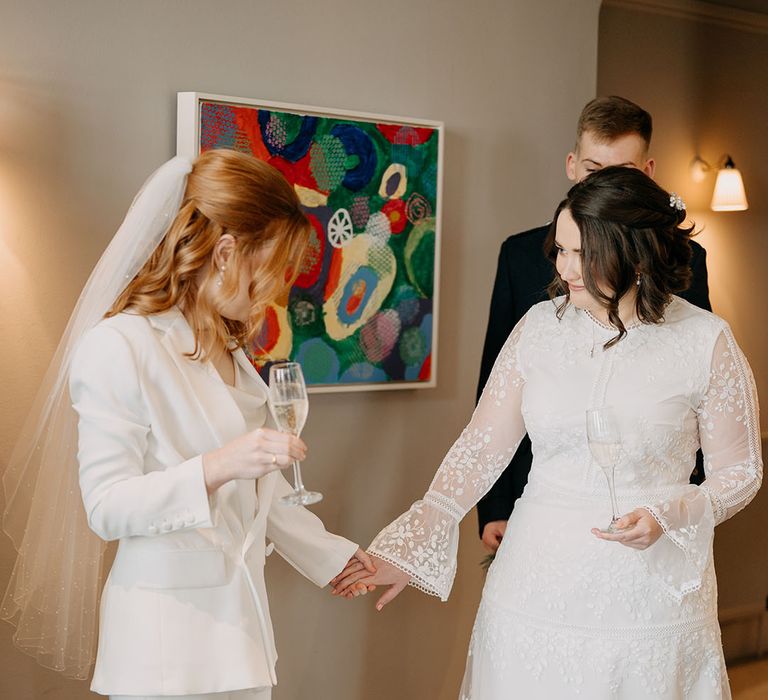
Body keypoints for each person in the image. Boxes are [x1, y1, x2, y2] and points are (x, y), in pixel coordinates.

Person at [333, 166, 762, 698]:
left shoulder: (706, 340)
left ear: (634, 252)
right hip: (533, 585)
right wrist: (417, 539)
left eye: (583, 254)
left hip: (649, 594)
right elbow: (482, 445)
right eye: (560, 251)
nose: (565, 268)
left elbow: (740, 472)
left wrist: (672, 515)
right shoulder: (538, 326)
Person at [1, 149, 373, 699]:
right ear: (225, 253)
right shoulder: (118, 347)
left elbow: (257, 494)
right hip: (164, 654)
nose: (278, 291)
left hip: (243, 642)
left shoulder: (230, 347)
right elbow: (107, 508)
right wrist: (218, 466)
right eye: (272, 269)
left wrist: (336, 559)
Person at [477, 96, 712, 554]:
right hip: (543, 492)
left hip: (649, 496)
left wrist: (688, 501)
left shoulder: (685, 260)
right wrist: (495, 504)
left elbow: (699, 379)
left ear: (646, 172)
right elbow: (495, 384)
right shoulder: (522, 255)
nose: (604, 184)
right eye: (592, 168)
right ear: (571, 165)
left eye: (620, 171)